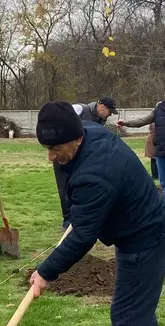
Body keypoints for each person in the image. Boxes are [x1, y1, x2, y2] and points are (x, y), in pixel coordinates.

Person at [29, 101, 165, 326]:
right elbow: (67, 183)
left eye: (55, 148)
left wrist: (45, 272)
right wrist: (70, 216)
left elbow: (83, 237)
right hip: (134, 228)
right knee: (137, 301)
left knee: (126, 312)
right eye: (46, 147)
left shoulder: (96, 173)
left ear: (74, 139)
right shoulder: (87, 133)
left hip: (145, 238)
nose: (50, 156)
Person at [117, 80, 165, 214]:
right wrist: (126, 123)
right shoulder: (160, 107)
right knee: (164, 183)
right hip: (160, 150)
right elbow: (145, 120)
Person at [54, 97, 118, 230]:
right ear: (101, 107)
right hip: (63, 154)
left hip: (82, 157)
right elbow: (58, 118)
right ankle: (67, 220)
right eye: (109, 111)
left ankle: (81, 217)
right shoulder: (80, 109)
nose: (109, 115)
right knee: (64, 187)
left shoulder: (99, 121)